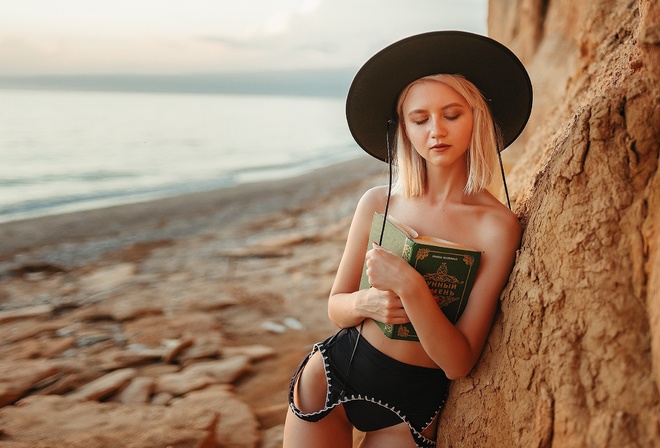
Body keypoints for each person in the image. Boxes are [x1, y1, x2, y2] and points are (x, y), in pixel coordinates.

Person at [283, 31, 533, 448]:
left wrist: (409, 286)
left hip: (411, 407)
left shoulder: (497, 226)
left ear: (477, 118)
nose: (436, 131)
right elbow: (336, 307)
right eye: (420, 120)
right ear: (404, 129)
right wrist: (367, 302)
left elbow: (458, 362)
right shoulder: (378, 202)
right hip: (333, 375)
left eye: (452, 115)